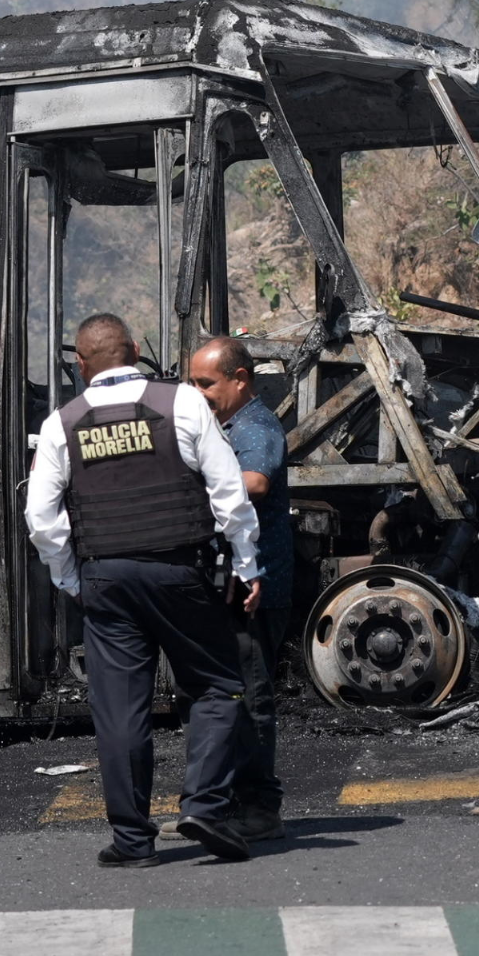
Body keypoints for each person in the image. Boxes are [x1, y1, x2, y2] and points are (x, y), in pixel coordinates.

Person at [25, 313, 262, 866]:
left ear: (80, 367)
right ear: (135, 350)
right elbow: (230, 494)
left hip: (105, 579)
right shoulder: (181, 403)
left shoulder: (63, 423)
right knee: (217, 685)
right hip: (181, 571)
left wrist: (69, 578)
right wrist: (247, 566)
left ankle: (133, 842)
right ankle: (203, 804)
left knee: (120, 711)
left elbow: (41, 517)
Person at [188, 336, 292, 842]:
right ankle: (223, 806)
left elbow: (254, 483)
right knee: (227, 698)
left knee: (252, 699)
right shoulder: (222, 425)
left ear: (239, 379)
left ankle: (260, 808)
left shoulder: (256, 425)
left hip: (257, 585)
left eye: (205, 383)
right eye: (192, 383)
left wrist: (188, 481)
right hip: (230, 583)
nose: (197, 392)